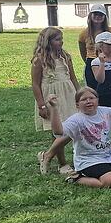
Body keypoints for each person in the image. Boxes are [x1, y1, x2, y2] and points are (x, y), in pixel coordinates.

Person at [38, 90, 111, 187]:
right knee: (110, 181)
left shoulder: (105, 112)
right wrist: (54, 108)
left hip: (109, 156)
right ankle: (77, 178)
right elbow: (58, 132)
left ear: (97, 100)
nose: (88, 101)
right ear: (77, 105)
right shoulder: (76, 120)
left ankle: (107, 171)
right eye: (84, 99)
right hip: (88, 160)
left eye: (92, 98)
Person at [31, 27, 79, 174]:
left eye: (61, 39)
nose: (61, 42)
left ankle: (47, 155)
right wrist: (41, 105)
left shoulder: (65, 56)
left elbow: (73, 77)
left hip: (68, 94)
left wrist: (79, 94)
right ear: (48, 41)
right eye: (58, 39)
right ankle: (62, 163)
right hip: (51, 98)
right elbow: (35, 84)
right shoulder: (39, 59)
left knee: (73, 127)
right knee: (57, 131)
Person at [78, 4, 111, 89]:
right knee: (92, 88)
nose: (98, 17)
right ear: (90, 16)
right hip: (91, 61)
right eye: (95, 14)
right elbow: (82, 51)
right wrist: (89, 61)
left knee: (108, 87)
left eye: (101, 15)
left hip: (108, 60)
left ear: (104, 17)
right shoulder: (84, 33)